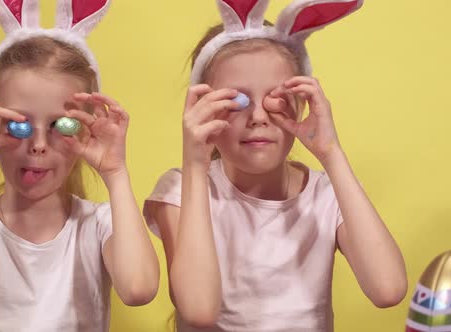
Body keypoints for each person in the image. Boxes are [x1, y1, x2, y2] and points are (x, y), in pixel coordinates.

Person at [143, 0, 406, 331]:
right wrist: (194, 163)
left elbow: (388, 289)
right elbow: (198, 310)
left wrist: (331, 152)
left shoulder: (326, 194)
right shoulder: (181, 190)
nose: (257, 118)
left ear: (300, 102)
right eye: (236, 101)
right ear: (203, 108)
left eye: (276, 99)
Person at [0, 1, 159, 331]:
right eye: (19, 125)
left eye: (60, 125)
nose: (37, 144)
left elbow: (138, 289)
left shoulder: (98, 224)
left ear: (84, 127)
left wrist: (116, 172)